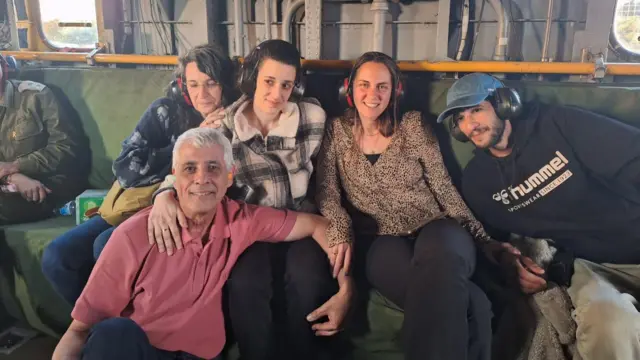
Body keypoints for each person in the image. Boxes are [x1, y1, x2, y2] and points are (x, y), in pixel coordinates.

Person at [51, 127, 346, 360]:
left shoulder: (242, 219)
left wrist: (347, 289)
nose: (202, 178)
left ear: (230, 176)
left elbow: (319, 225)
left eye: (213, 168)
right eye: (190, 168)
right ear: (174, 176)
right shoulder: (133, 235)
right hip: (142, 349)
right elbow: (79, 331)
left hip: (199, 355)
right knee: (112, 334)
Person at [149, 39, 351, 360]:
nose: (276, 94)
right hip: (251, 226)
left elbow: (328, 183)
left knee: (308, 278)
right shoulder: (226, 125)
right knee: (246, 284)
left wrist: (337, 229)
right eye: (269, 82)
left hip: (301, 220)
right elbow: (195, 168)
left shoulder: (312, 117)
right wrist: (164, 194)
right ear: (252, 78)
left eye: (286, 85)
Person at [438, 72, 640, 360]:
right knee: (607, 322)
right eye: (459, 118)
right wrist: (510, 262)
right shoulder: (478, 183)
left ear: (504, 104)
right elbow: (491, 243)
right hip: (591, 267)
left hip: (634, 239)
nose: (470, 125)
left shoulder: (560, 125)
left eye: (476, 110)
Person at [316, 52, 494, 360]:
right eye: (365, 85)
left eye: (382, 86)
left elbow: (443, 186)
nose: (373, 95)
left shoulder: (413, 125)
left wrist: (482, 238)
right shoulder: (336, 131)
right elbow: (326, 190)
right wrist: (342, 227)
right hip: (379, 239)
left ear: (395, 90)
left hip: (435, 226)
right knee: (474, 303)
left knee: (444, 269)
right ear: (349, 89)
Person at [41, 44, 239, 306]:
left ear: (224, 84)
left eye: (210, 84)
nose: (202, 94)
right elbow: (125, 168)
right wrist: (186, 142)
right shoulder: (165, 111)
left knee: (105, 246)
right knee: (57, 256)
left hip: (184, 212)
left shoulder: (236, 120)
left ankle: (126, 331)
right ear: (182, 86)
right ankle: (96, 328)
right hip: (136, 203)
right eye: (193, 85)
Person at [0, 53, 89, 225]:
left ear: (4, 67)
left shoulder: (36, 96)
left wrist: (16, 166)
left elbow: (66, 147)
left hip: (47, 183)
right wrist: (12, 177)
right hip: (8, 184)